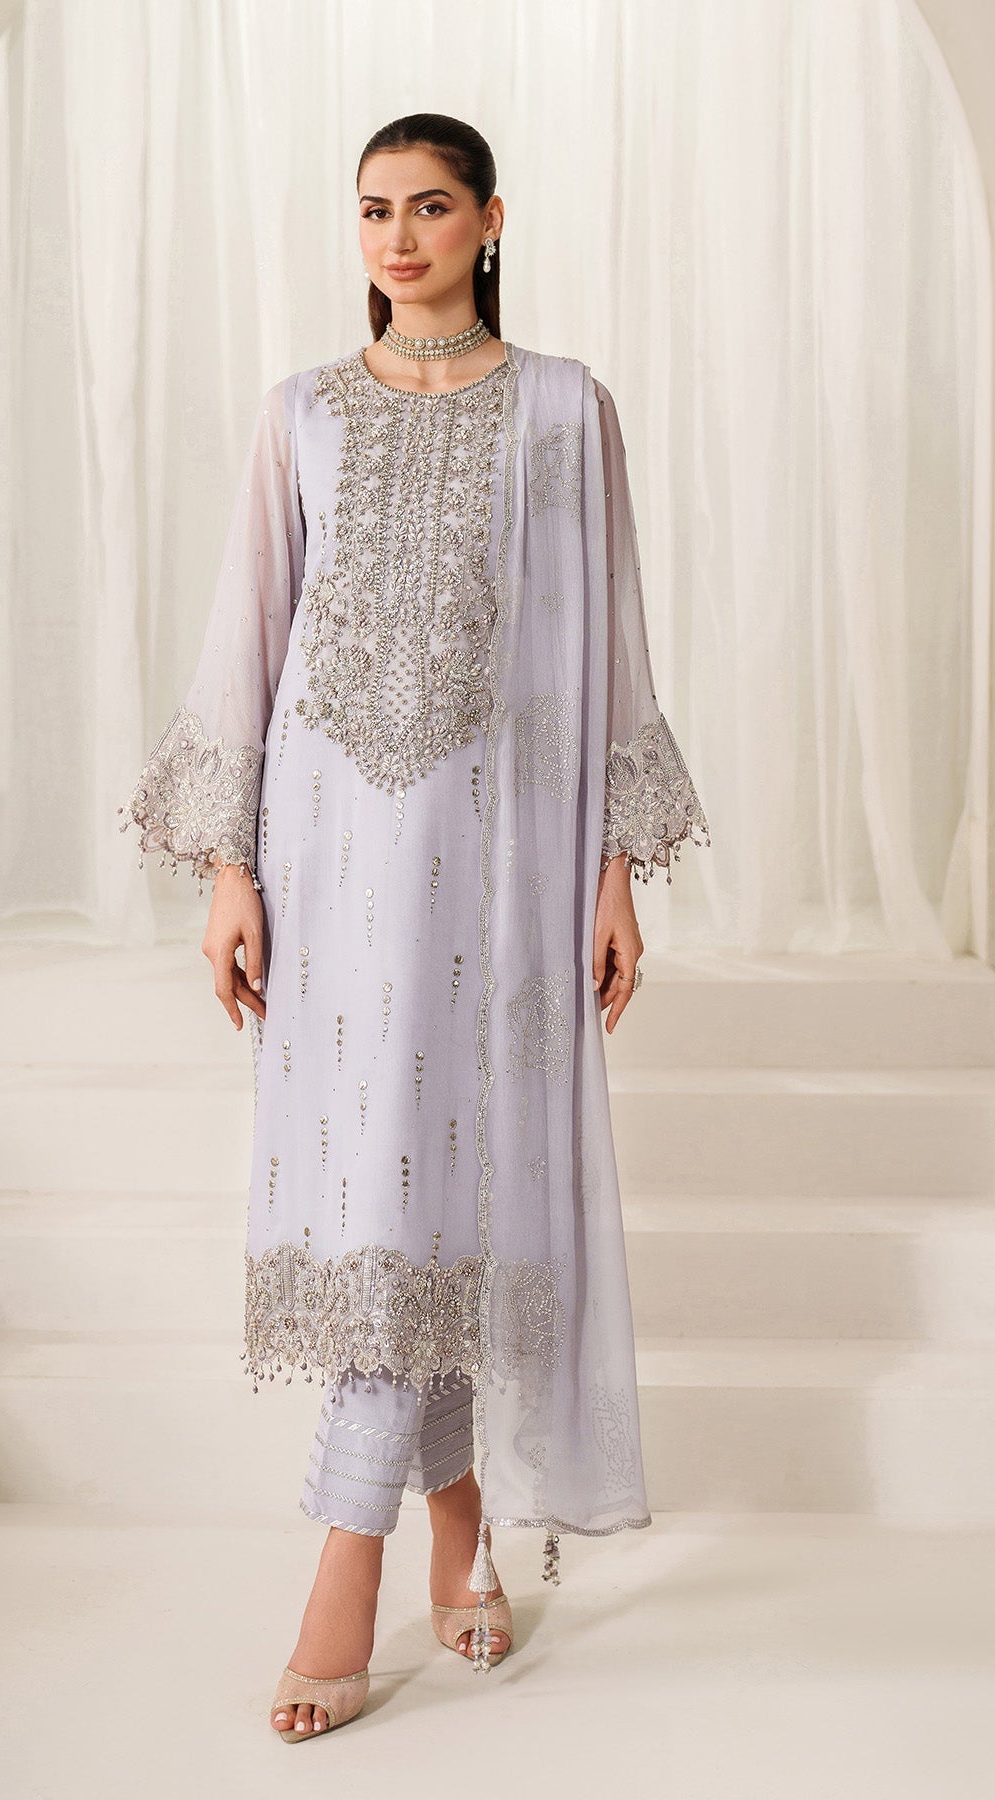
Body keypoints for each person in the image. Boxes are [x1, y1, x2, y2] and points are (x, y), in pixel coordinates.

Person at [120, 111, 710, 1742]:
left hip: (506, 865)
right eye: (375, 209)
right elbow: (250, 634)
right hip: (334, 862)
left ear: (489, 220)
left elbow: (608, 642)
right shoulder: (301, 413)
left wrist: (614, 868)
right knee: (383, 1176)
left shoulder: (565, 408)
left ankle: (348, 1560)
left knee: (454, 1172)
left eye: (431, 206)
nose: (398, 236)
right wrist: (229, 868)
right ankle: (449, 1521)